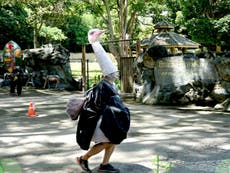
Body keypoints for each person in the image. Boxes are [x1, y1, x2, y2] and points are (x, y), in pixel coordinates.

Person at [76, 29, 130, 173]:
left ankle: (105, 164)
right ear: (109, 74)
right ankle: (83, 158)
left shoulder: (111, 85)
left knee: (114, 139)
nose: (116, 73)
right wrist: (94, 43)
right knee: (108, 141)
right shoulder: (104, 86)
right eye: (114, 73)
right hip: (99, 121)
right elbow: (98, 107)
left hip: (108, 120)